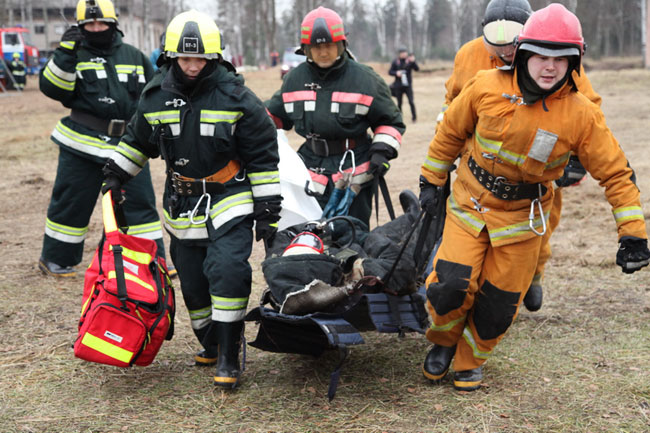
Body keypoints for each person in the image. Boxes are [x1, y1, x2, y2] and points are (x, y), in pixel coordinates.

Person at [418, 3, 649, 392]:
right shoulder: (485, 85)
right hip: (470, 205)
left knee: (499, 306)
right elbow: (450, 133)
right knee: (449, 285)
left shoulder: (580, 114)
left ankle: (469, 358)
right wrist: (430, 180)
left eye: (561, 59)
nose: (549, 66)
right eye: (541, 55)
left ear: (574, 63)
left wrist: (633, 233)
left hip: (524, 220)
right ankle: (443, 341)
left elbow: (616, 173)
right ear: (523, 53)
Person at [102, 10, 280, 389]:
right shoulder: (155, 97)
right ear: (171, 58)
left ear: (214, 58)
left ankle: (231, 355)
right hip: (180, 206)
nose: (193, 65)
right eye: (185, 58)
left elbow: (263, 157)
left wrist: (267, 210)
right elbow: (138, 141)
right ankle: (211, 341)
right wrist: (116, 175)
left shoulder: (238, 99)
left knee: (228, 270)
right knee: (194, 287)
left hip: (229, 199)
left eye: (200, 58)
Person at [436, 0, 603, 313]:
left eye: (512, 42)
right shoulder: (467, 56)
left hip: (537, 165)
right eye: (495, 43)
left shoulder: (552, 55)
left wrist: (577, 161)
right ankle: (474, 293)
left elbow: (588, 107)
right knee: (471, 229)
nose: (506, 52)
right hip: (480, 162)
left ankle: (533, 273)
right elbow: (452, 102)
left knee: (540, 226)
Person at [38, 0, 165, 277]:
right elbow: (52, 89)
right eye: (89, 25)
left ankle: (151, 260)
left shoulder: (134, 55)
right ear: (80, 27)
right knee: (71, 203)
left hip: (128, 146)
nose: (96, 29)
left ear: (113, 24)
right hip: (80, 143)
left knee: (140, 205)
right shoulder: (73, 54)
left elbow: (157, 92)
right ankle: (57, 259)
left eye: (101, 23)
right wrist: (64, 53)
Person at [266, 6, 405, 227]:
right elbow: (272, 116)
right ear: (306, 49)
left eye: (329, 45)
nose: (323, 52)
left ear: (341, 44)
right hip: (310, 169)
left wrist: (381, 152)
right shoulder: (294, 79)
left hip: (354, 171)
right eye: (316, 47)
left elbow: (390, 122)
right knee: (310, 235)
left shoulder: (365, 79)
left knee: (351, 236)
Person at [388, 47, 419, 122]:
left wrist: (414, 62)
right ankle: (400, 118)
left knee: (411, 101)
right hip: (398, 85)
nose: (404, 54)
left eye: (405, 53)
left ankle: (414, 118)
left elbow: (417, 69)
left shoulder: (410, 61)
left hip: (408, 86)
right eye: (402, 53)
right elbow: (390, 72)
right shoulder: (396, 62)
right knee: (399, 103)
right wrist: (396, 73)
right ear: (399, 54)